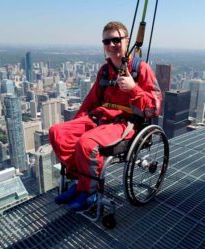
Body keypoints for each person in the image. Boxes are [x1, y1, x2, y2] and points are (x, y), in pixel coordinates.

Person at [49, 21, 161, 211]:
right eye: (107, 41)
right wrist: (77, 123)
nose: (111, 45)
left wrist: (134, 88)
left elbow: (154, 108)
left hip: (124, 122)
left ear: (127, 41)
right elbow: (90, 101)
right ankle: (81, 184)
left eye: (116, 40)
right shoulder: (105, 70)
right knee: (57, 133)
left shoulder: (141, 70)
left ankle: (90, 192)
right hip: (99, 118)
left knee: (87, 143)